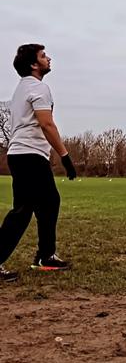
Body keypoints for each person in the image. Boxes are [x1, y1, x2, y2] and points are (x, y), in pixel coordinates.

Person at [0, 44, 77, 281]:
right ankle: (43, 256)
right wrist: (65, 156)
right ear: (34, 64)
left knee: (49, 202)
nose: (48, 58)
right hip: (29, 155)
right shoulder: (38, 87)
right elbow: (47, 124)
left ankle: (46, 256)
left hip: (22, 155)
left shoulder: (21, 88)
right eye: (43, 56)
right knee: (23, 211)